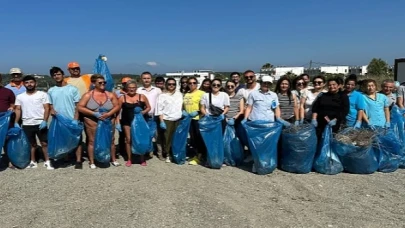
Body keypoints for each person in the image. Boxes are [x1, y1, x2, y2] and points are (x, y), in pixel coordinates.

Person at [77, 75, 121, 169]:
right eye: (100, 83)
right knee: (92, 141)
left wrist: (109, 114)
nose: (103, 84)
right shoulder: (88, 95)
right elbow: (80, 107)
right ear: (94, 83)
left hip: (108, 121)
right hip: (92, 121)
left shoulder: (110, 94)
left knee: (111, 140)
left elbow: (117, 106)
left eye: (104, 82)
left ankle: (113, 159)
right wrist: (94, 114)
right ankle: (92, 161)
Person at [243, 75, 281, 173]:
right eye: (265, 83)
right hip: (255, 123)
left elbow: (276, 108)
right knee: (257, 144)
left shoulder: (273, 95)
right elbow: (249, 107)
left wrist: (278, 118)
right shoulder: (253, 94)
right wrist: (245, 118)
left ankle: (266, 163)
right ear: (261, 83)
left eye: (268, 83)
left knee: (267, 145)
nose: (266, 85)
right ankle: (257, 164)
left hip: (269, 124)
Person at [14, 75, 54, 169]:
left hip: (40, 122)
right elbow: (18, 109)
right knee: (32, 144)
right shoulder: (20, 97)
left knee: (44, 143)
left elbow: (47, 108)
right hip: (27, 123)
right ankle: (33, 161)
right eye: (27, 83)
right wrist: (16, 122)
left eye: (31, 82)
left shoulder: (42, 94)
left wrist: (45, 120)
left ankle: (47, 161)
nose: (29, 84)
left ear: (35, 83)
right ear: (24, 84)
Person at [47, 67, 83, 169]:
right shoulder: (51, 90)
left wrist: (76, 119)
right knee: (62, 139)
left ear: (63, 75)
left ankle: (78, 160)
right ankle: (66, 158)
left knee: (77, 139)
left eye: (58, 74)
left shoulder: (72, 89)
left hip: (71, 118)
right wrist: (52, 110)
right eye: (54, 75)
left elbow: (78, 105)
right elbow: (50, 104)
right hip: (58, 120)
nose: (56, 76)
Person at [116, 80, 151, 167]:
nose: (132, 89)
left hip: (140, 122)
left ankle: (142, 158)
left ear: (136, 88)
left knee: (140, 139)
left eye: (133, 87)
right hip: (126, 121)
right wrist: (117, 122)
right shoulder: (122, 98)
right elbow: (117, 111)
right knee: (128, 140)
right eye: (130, 88)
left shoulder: (142, 96)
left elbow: (149, 107)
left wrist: (143, 112)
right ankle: (129, 159)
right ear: (126, 88)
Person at [155, 78, 183, 163]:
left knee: (176, 138)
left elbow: (181, 105)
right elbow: (159, 109)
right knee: (167, 139)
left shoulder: (179, 94)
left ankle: (175, 153)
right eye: (169, 84)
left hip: (178, 119)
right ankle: (167, 154)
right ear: (166, 85)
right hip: (167, 119)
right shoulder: (162, 96)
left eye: (173, 84)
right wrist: (161, 121)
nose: (171, 85)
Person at [136, 72, 162, 158]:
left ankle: (160, 153)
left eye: (148, 78)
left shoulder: (157, 90)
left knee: (157, 136)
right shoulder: (138, 90)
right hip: (143, 116)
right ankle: (148, 151)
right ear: (141, 79)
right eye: (144, 78)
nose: (146, 80)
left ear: (151, 79)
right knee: (145, 134)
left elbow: (162, 103)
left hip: (155, 116)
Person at [183, 77, 206, 165]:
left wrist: (198, 111)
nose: (192, 84)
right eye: (190, 83)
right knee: (193, 139)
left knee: (199, 138)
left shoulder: (202, 93)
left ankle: (200, 156)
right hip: (189, 119)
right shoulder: (186, 94)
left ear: (197, 84)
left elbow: (206, 106)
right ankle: (196, 154)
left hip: (198, 119)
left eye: (194, 83)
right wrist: (183, 111)